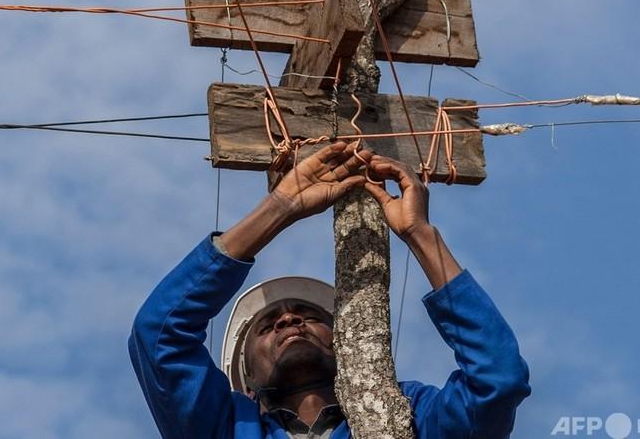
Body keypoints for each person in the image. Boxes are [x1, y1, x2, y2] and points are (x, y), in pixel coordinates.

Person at [129, 141, 531, 438]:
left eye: (309, 316)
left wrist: (421, 235)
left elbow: (497, 381)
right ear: (246, 379)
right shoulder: (227, 427)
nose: (289, 319)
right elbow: (159, 336)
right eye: (269, 324)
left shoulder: (410, 414)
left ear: (345, 344)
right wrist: (279, 207)